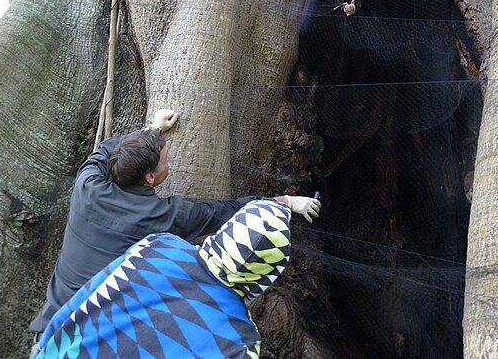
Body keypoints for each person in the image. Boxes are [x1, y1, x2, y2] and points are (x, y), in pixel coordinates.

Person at [29, 109, 320, 355]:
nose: (170, 161)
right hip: (93, 341)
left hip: (51, 335)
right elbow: (222, 211)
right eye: (166, 159)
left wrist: (151, 131)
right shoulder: (163, 226)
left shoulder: (88, 184)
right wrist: (283, 203)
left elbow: (104, 152)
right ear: (151, 177)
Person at [34, 198, 293, 358]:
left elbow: (85, 298)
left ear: (227, 230)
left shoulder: (157, 246)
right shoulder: (241, 344)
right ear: (268, 276)